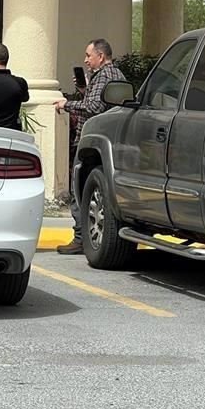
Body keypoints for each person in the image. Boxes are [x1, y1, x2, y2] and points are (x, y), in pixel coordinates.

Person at [53, 38, 126, 255]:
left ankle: (79, 237)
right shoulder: (116, 75)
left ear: (101, 56)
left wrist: (67, 104)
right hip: (108, 143)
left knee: (78, 188)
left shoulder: (104, 75)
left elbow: (93, 107)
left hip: (92, 141)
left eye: (88, 55)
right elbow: (102, 103)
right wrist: (85, 89)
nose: (86, 60)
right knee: (95, 192)